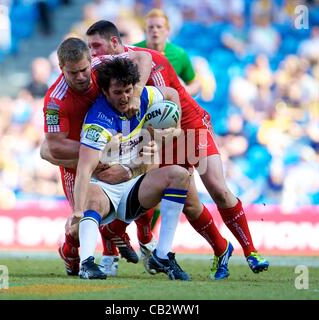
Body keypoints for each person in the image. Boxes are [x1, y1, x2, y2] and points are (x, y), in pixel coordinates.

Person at [86, 20, 269, 277]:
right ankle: (221, 249)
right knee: (188, 204)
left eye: (97, 46)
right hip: (159, 134)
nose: (93, 53)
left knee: (217, 187)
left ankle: (251, 252)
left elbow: (169, 100)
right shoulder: (105, 72)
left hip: (189, 124)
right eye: (90, 48)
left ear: (114, 43)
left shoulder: (145, 58)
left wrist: (140, 100)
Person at [40, 37, 153, 276]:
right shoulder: (54, 100)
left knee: (140, 189)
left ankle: (115, 231)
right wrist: (98, 151)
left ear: (90, 60)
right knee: (79, 223)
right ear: (61, 68)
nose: (81, 77)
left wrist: (137, 94)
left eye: (84, 69)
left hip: (111, 152)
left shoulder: (103, 64)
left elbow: (144, 57)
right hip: (77, 164)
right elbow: (54, 147)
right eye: (73, 73)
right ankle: (70, 251)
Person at [72, 57, 190, 281]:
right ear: (105, 92)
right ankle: (86, 263)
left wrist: (175, 129)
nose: (125, 97)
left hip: (135, 186)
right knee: (91, 195)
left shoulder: (144, 96)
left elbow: (172, 95)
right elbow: (83, 171)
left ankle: (162, 255)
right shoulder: (97, 122)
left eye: (128, 90)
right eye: (117, 92)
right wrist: (77, 213)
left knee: (181, 176)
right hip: (105, 191)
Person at [133, 8, 201, 97]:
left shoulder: (179, 54)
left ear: (167, 30)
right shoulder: (134, 50)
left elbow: (194, 82)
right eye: (151, 27)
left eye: (159, 27)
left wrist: (185, 92)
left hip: (167, 104)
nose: (155, 30)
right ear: (145, 30)